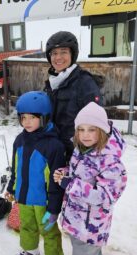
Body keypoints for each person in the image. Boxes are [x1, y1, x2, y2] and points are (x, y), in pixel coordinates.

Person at [53, 102, 127, 255]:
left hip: (91, 226)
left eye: (92, 130)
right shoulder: (82, 149)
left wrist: (71, 184)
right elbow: (80, 173)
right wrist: (66, 173)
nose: (85, 135)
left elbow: (106, 197)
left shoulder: (110, 161)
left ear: (102, 131)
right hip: (78, 221)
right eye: (81, 129)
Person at [5, 91, 66, 255]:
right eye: (24, 117)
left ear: (44, 117)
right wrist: (12, 188)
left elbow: (57, 181)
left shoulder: (54, 146)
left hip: (43, 201)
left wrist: (54, 208)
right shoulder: (19, 141)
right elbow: (15, 168)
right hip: (24, 197)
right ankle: (31, 251)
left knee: (48, 230)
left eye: (33, 117)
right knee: (27, 226)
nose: (27, 122)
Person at [44, 31, 103, 162]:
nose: (58, 57)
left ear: (72, 54)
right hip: (55, 150)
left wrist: (84, 157)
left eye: (63, 52)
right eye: (54, 53)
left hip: (77, 155)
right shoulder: (53, 82)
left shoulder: (85, 83)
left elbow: (96, 125)